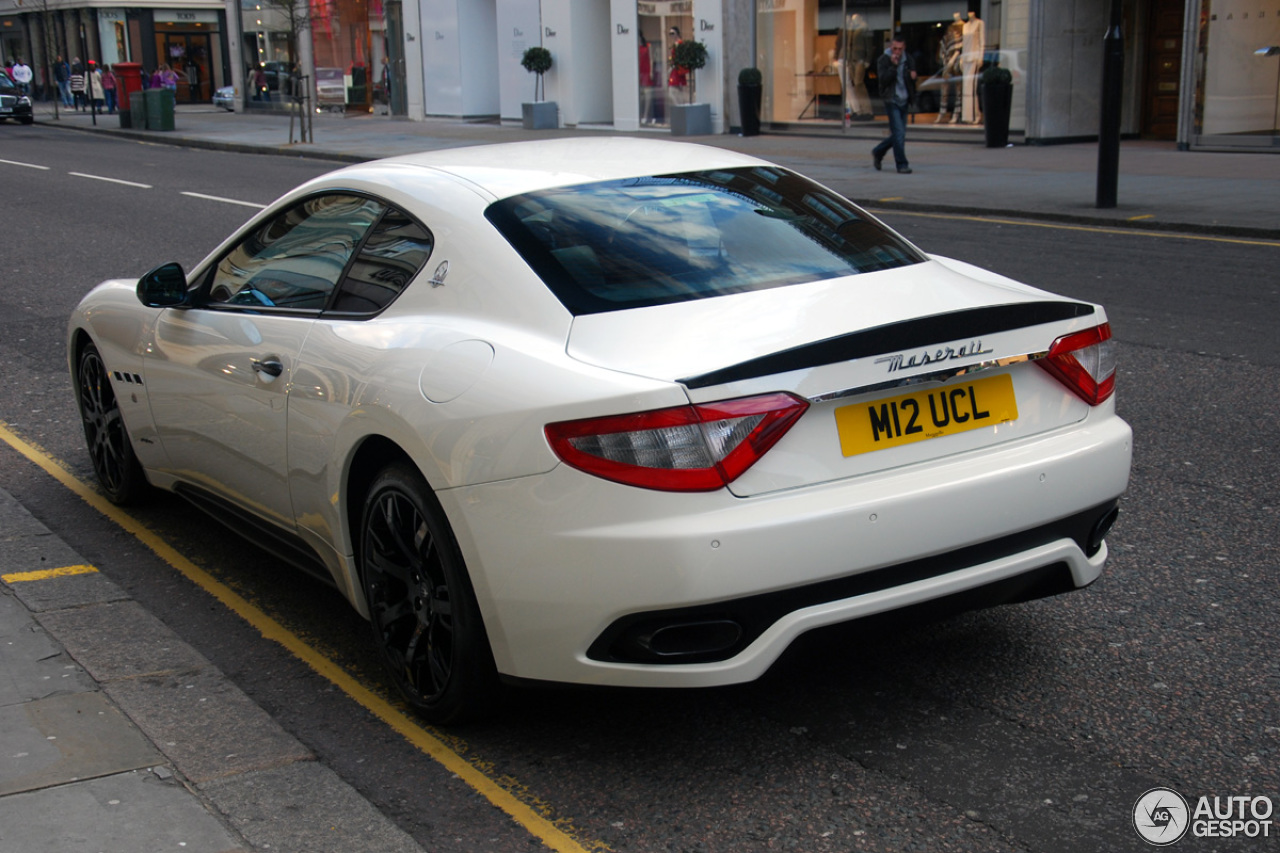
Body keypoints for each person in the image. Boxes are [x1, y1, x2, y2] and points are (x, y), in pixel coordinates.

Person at [871, 33, 916, 175]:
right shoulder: (884, 60)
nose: (897, 52)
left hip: (904, 99)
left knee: (899, 134)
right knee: (899, 133)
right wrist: (893, 66)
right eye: (895, 48)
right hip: (892, 100)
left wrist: (913, 76)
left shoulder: (908, 59)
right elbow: (883, 80)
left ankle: (878, 151)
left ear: (904, 48)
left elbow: (911, 78)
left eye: (900, 49)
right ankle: (902, 164)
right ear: (891, 47)